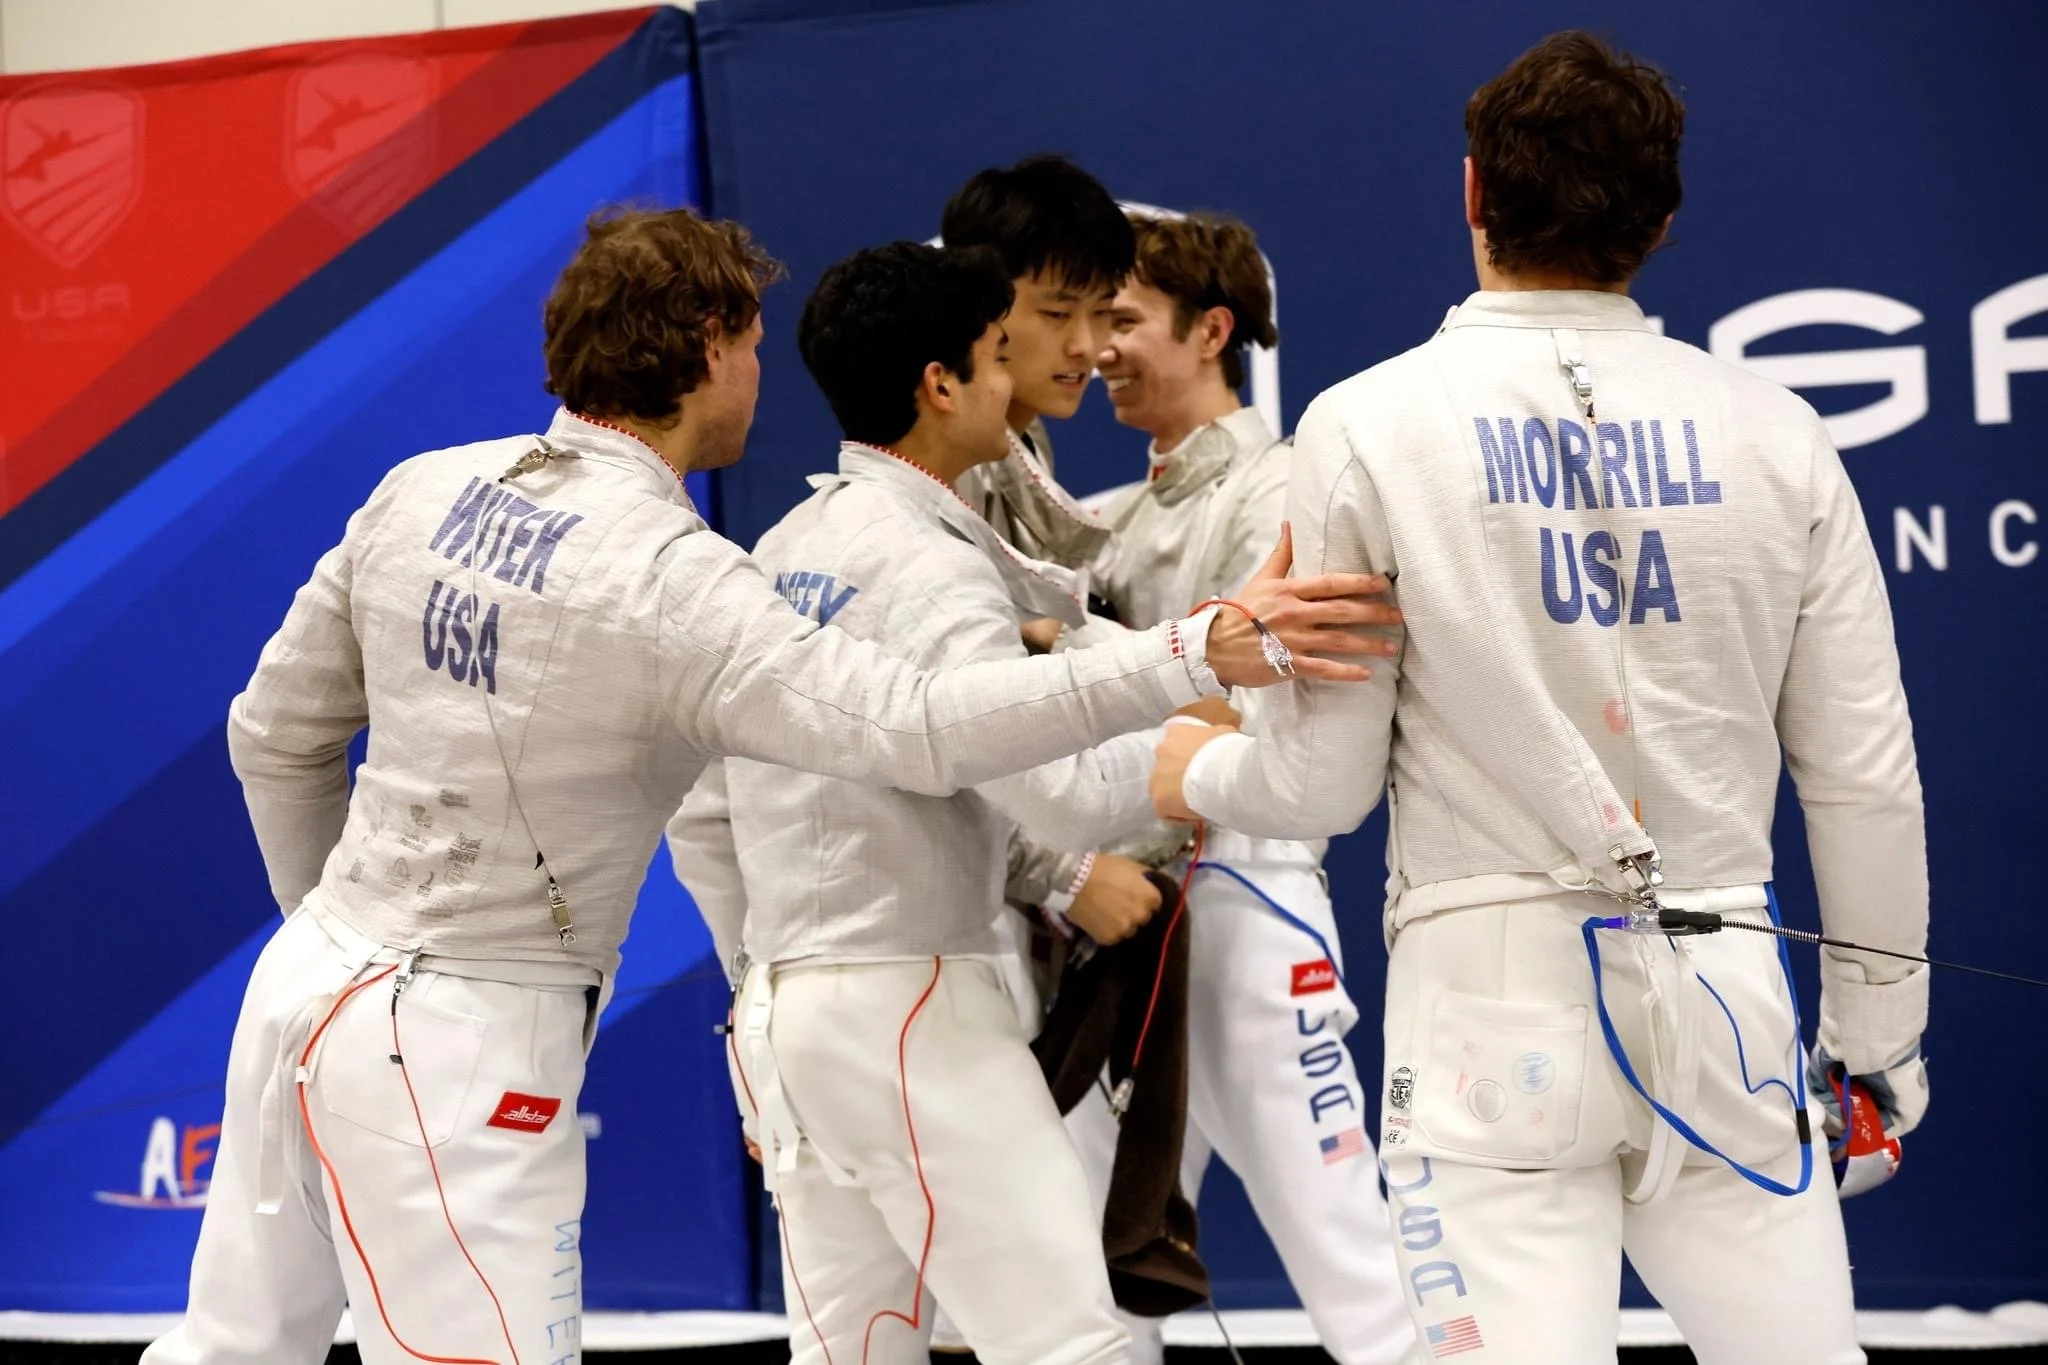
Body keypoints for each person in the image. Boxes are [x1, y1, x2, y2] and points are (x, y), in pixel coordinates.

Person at [141, 207, 1392, 1365]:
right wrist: (1184, 659)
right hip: (520, 1023)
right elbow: (924, 728)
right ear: (702, 349)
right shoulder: (678, 581)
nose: (757, 370)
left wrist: (347, 954)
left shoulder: (431, 490)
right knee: (1076, 1341)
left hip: (313, 987)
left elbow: (271, 736)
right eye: (743, 340)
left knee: (227, 1348)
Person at [1151, 32, 1928, 1365]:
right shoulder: (1780, 433)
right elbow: (1864, 778)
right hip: (1731, 989)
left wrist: (1192, 772)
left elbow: (1323, 785)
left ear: (1472, 193)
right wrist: (1879, 1050)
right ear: (1663, 219)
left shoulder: (1368, 422)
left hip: (1486, 1011)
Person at [672, 242, 1388, 1365]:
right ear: (941, 383)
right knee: (1074, 1345)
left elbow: (705, 813)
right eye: (1004, 353)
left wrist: (755, 1002)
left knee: (855, 1351)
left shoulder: (778, 550)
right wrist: (1177, 739)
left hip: (795, 1010)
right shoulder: (931, 564)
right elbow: (1050, 787)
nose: (1044, 375)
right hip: (922, 997)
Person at [1036, 209, 1415, 1365]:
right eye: (1090, 320)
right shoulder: (1112, 515)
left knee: (1344, 1247)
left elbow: (1253, 707)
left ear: (1210, 331)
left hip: (1247, 896)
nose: (1099, 347)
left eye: (1124, 320)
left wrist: (1068, 653)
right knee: (1090, 1262)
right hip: (1130, 915)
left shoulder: (1289, 487)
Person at [940, 155, 1173, 960]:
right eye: (1056, 311)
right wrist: (1065, 873)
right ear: (980, 301)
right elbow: (941, 719)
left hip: (991, 907)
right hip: (934, 922)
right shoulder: (947, 457)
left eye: (1103, 313)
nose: (1087, 346)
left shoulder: (1021, 440)